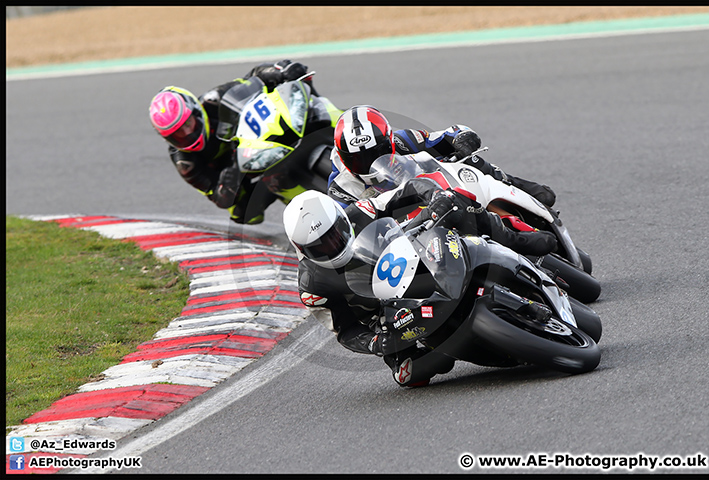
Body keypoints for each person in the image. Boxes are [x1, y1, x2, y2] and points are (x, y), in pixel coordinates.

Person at [283, 175, 557, 387]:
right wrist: (374, 342)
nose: (333, 246)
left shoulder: (362, 211)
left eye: (335, 235)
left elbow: (410, 188)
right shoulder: (312, 285)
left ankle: (516, 240)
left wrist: (436, 197)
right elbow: (344, 330)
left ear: (342, 219)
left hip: (418, 259)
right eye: (320, 247)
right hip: (387, 315)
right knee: (409, 376)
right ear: (302, 250)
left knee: (458, 208)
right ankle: (460, 344)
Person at [149, 60, 338, 225]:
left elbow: (253, 80)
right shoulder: (185, 162)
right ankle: (315, 214)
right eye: (177, 135)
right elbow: (218, 198)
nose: (187, 133)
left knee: (311, 107)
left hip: (259, 143)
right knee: (246, 212)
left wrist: (278, 72)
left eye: (187, 124)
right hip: (243, 177)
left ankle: (344, 130)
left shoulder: (214, 100)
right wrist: (228, 182)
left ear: (195, 110)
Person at [327, 105, 557, 210]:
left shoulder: (403, 140)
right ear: (343, 156)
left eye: (376, 153)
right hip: (405, 224)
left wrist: (463, 139)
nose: (368, 163)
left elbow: (449, 134)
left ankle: (515, 185)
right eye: (358, 158)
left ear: (388, 141)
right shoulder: (340, 187)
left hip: (444, 190)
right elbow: (344, 226)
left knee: (470, 161)